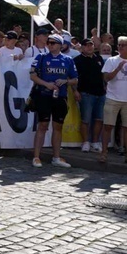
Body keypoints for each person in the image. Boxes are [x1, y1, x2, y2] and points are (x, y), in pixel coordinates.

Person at [30, 34, 78, 168]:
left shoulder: (68, 59)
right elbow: (32, 76)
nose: (50, 45)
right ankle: (36, 157)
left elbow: (75, 79)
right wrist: (46, 84)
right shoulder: (41, 57)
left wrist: (66, 81)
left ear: (60, 45)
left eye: (53, 43)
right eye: (49, 42)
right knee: (43, 126)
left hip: (60, 97)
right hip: (44, 96)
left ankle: (56, 157)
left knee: (58, 127)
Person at [99, 37, 127, 164]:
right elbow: (106, 78)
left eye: (124, 45)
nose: (120, 47)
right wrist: (117, 68)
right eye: (119, 45)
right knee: (108, 126)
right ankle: (104, 153)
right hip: (112, 98)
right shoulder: (111, 60)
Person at [74, 38, 105, 153]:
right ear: (82, 47)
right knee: (85, 119)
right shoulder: (77, 60)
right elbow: (73, 77)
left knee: (99, 119)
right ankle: (85, 142)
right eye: (86, 45)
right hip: (85, 93)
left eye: (91, 45)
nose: (89, 47)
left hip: (100, 93)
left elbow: (103, 75)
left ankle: (95, 142)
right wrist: (75, 91)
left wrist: (105, 86)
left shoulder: (99, 58)